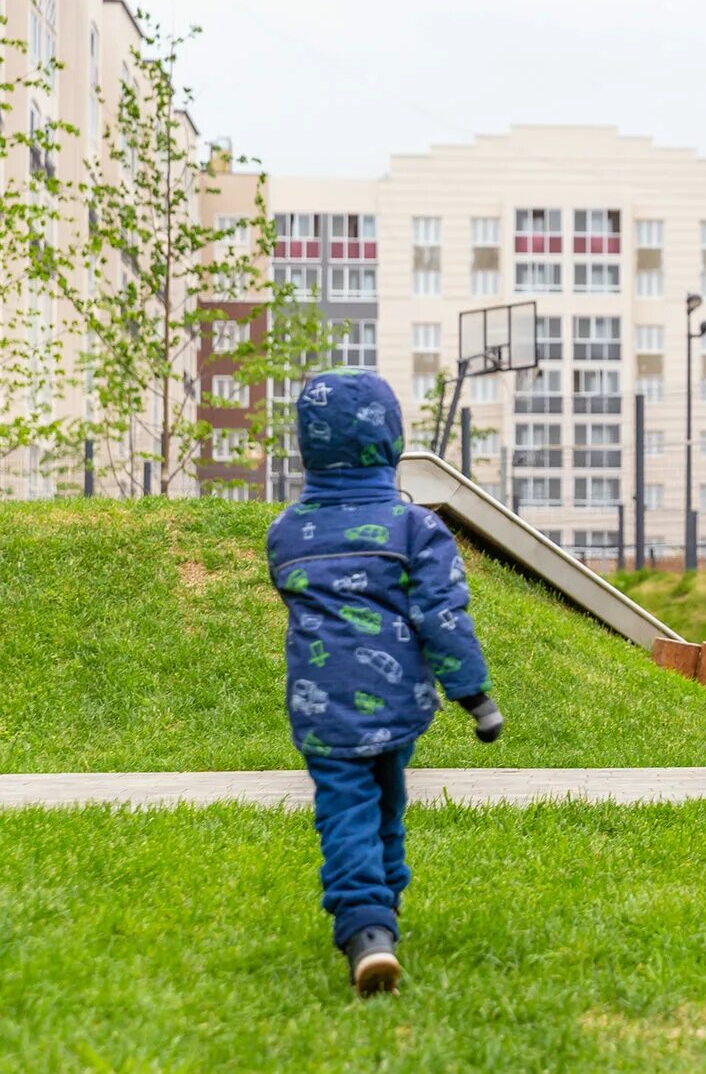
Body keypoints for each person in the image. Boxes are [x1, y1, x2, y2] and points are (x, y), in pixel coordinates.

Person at [266, 368, 503, 995]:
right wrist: (474, 696)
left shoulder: (286, 532)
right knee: (383, 802)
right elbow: (442, 617)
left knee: (346, 806)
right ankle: (371, 925)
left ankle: (375, 921)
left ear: (309, 446)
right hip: (396, 706)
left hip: (318, 710)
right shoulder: (414, 530)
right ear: (391, 442)